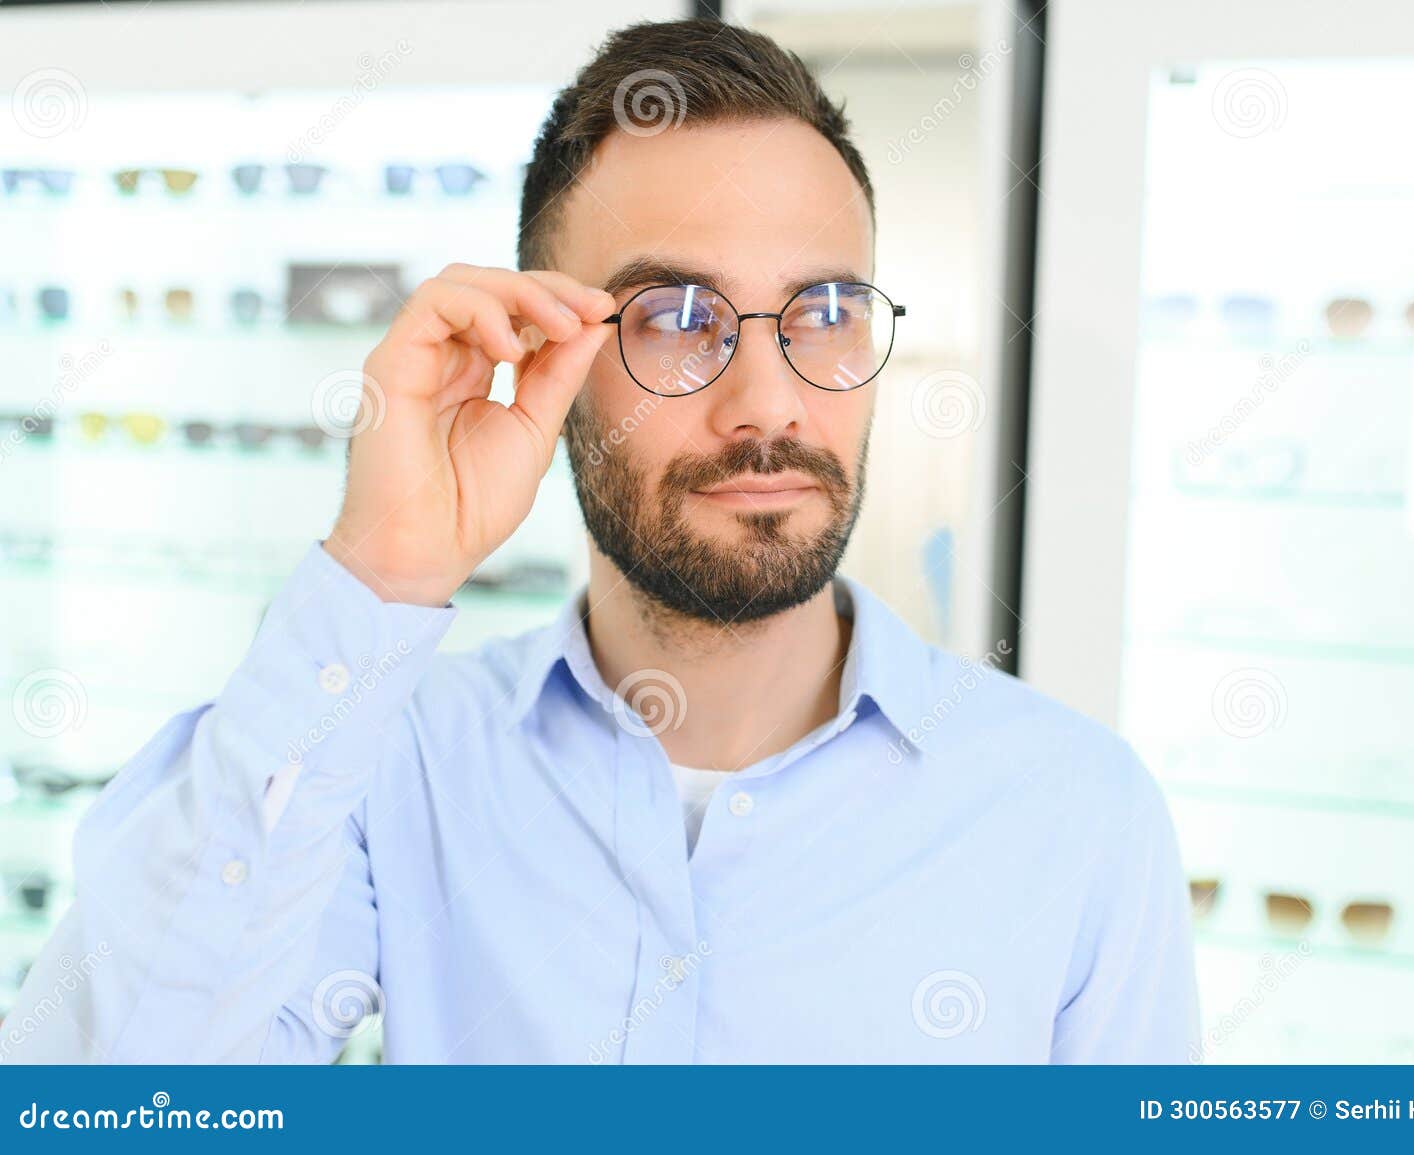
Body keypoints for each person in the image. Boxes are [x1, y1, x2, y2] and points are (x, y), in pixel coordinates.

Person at [2, 17, 1198, 1064]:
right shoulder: (387, 768)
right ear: (542, 357)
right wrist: (381, 571)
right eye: (679, 319)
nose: (768, 403)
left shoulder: (1076, 813)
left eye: (825, 312)